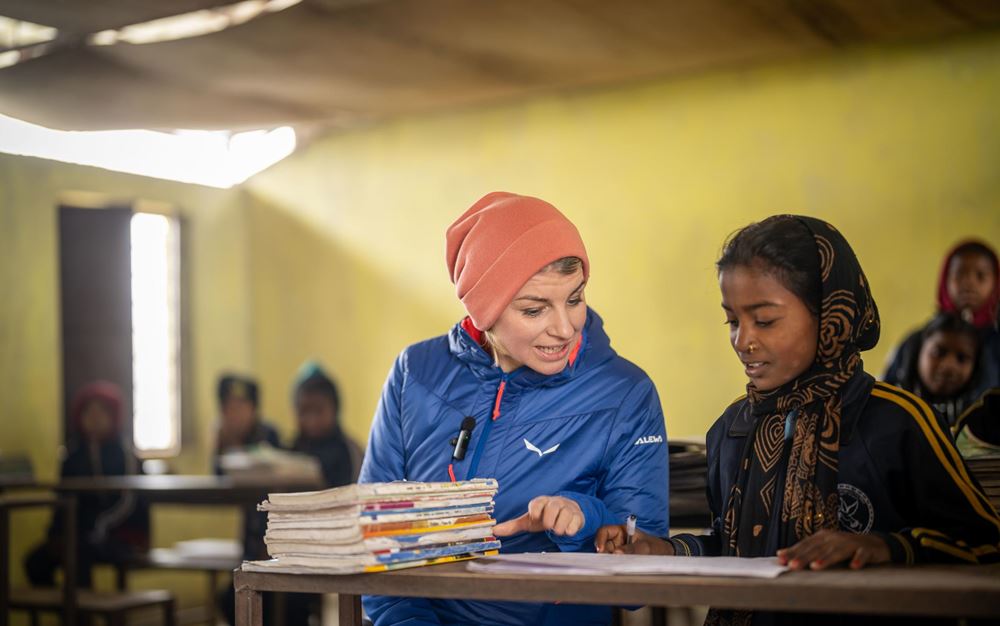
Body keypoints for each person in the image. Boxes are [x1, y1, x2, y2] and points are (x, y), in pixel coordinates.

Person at [596, 216, 1000, 626]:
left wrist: (889, 548)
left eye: (765, 320)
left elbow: (985, 545)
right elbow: (732, 549)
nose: (742, 340)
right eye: (732, 320)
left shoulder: (895, 421)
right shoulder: (734, 427)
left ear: (827, 313)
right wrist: (667, 552)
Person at [360, 191, 670, 626]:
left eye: (575, 299)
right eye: (534, 309)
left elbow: (643, 569)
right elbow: (375, 536)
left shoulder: (625, 393)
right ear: (483, 309)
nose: (564, 328)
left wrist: (586, 517)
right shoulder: (415, 373)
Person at [24, 381, 150, 588]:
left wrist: (98, 528)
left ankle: (81, 614)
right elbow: (63, 499)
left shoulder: (126, 454)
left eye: (101, 412)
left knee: (78, 553)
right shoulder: (73, 455)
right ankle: (69, 612)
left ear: (113, 417)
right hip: (81, 534)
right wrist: (56, 532)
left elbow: (128, 501)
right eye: (88, 412)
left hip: (120, 534)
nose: (95, 418)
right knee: (36, 562)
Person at [884, 240, 1000, 398]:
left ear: (995, 283)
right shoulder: (916, 341)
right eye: (960, 275)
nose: (969, 283)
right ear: (945, 280)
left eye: (980, 276)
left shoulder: (995, 345)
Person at [891, 313, 983, 426]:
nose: (949, 366)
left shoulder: (978, 422)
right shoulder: (889, 407)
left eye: (962, 358)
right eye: (938, 353)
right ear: (918, 352)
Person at [290, 362, 363, 486]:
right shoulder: (293, 451)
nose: (311, 420)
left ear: (335, 409)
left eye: (318, 410)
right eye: (304, 411)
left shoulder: (349, 453)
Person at [212, 374, 280, 475]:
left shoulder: (268, 435)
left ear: (253, 410)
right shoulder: (221, 437)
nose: (234, 414)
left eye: (240, 407)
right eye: (229, 407)